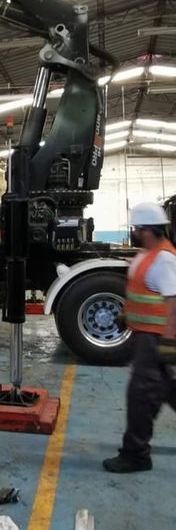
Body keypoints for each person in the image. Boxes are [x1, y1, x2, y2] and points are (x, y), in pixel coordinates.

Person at [103, 202, 176, 474]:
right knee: (167, 388)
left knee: (141, 395)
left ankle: (136, 454)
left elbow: (173, 300)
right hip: (147, 335)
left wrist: (169, 340)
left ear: (146, 230)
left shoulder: (164, 259)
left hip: (157, 339)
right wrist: (127, 314)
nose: (133, 232)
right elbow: (143, 292)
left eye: (136, 228)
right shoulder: (148, 254)